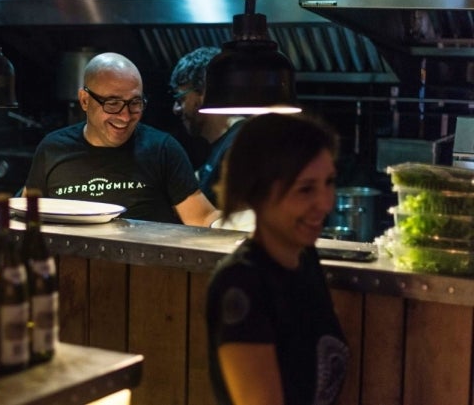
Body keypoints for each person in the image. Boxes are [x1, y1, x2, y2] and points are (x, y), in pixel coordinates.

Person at [206, 113, 349, 405]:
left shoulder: (304, 258)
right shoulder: (242, 284)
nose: (325, 203)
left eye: (329, 182)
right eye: (306, 189)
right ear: (257, 191)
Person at [23, 52, 220, 226]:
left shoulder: (162, 149)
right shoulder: (52, 149)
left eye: (135, 103)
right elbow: (26, 214)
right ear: (84, 100)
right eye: (113, 103)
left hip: (146, 267)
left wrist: (244, 222)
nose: (125, 116)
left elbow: (202, 218)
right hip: (67, 265)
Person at [169, 47, 245, 207]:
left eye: (181, 98)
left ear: (204, 93)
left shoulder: (241, 145)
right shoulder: (222, 145)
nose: (175, 109)